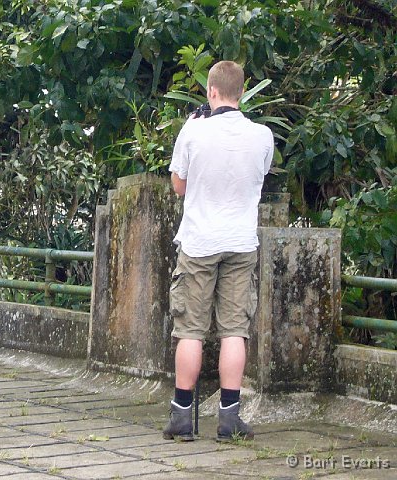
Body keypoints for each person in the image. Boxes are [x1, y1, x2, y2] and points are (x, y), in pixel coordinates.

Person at [162, 60, 274, 442]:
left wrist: (190, 128)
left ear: (211, 92)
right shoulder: (263, 136)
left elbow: (179, 186)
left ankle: (181, 416)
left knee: (190, 330)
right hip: (241, 243)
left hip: (198, 243)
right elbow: (259, 176)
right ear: (241, 93)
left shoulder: (193, 132)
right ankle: (229, 418)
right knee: (234, 331)